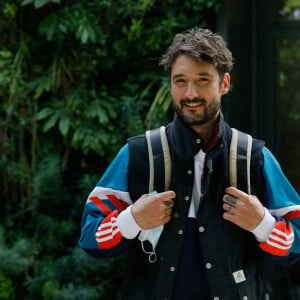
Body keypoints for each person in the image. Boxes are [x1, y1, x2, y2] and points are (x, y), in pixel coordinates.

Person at [79, 28, 300, 299]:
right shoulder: (138, 154)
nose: (190, 93)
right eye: (180, 81)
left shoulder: (254, 157)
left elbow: (297, 243)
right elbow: (90, 236)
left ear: (224, 83)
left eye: (203, 80)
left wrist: (262, 224)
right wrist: (132, 219)